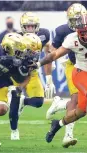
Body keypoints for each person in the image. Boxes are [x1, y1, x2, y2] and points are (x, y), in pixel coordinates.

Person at [31, 14, 87, 144]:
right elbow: (55, 54)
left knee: (81, 111)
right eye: (83, 32)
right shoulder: (72, 39)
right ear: (77, 31)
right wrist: (39, 63)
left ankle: (58, 124)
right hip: (80, 72)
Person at [45, 3, 87, 148]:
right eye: (74, 20)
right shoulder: (63, 30)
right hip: (74, 65)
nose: (79, 23)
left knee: (82, 108)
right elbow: (53, 48)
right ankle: (70, 135)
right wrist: (51, 67)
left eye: (80, 19)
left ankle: (59, 112)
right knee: (80, 98)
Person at [8, 12, 55, 140]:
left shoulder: (43, 34)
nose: (30, 29)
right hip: (16, 73)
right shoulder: (16, 38)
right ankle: (14, 130)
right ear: (23, 27)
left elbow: (48, 51)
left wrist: (49, 76)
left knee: (39, 101)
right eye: (27, 26)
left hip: (32, 72)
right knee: (15, 100)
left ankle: (25, 101)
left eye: (32, 26)